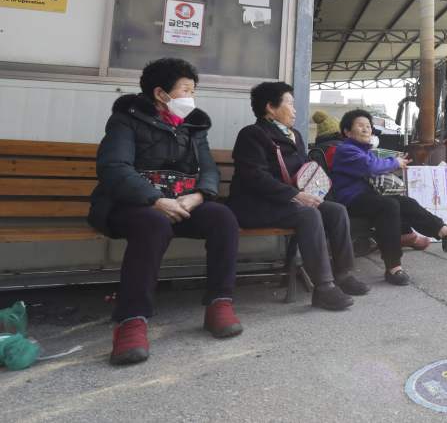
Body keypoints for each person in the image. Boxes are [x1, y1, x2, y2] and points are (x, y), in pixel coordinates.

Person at [88, 58, 242, 366]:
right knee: (154, 224)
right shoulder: (125, 120)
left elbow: (208, 170)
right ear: (161, 93)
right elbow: (113, 167)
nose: (191, 97)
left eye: (193, 90)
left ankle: (219, 304)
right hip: (131, 206)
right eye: (185, 89)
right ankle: (131, 321)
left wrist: (199, 196)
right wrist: (154, 200)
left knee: (223, 218)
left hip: (181, 203)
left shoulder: (194, 125)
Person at [225, 82, 368, 311]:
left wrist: (312, 192)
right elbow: (255, 177)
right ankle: (323, 288)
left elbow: (303, 172)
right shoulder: (253, 134)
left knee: (337, 210)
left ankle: (342, 274)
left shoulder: (295, 136)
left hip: (287, 202)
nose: (294, 110)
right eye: (290, 104)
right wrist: (296, 196)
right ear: (271, 107)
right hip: (254, 205)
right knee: (308, 215)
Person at [331, 109, 447, 286]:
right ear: (347, 131)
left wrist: (391, 169)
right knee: (389, 205)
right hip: (351, 199)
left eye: (368, 126)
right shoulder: (345, 149)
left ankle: (444, 232)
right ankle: (393, 267)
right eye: (360, 126)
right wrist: (394, 162)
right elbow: (368, 167)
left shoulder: (366, 151)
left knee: (406, 202)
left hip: (368, 198)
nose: (366, 129)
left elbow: (370, 171)